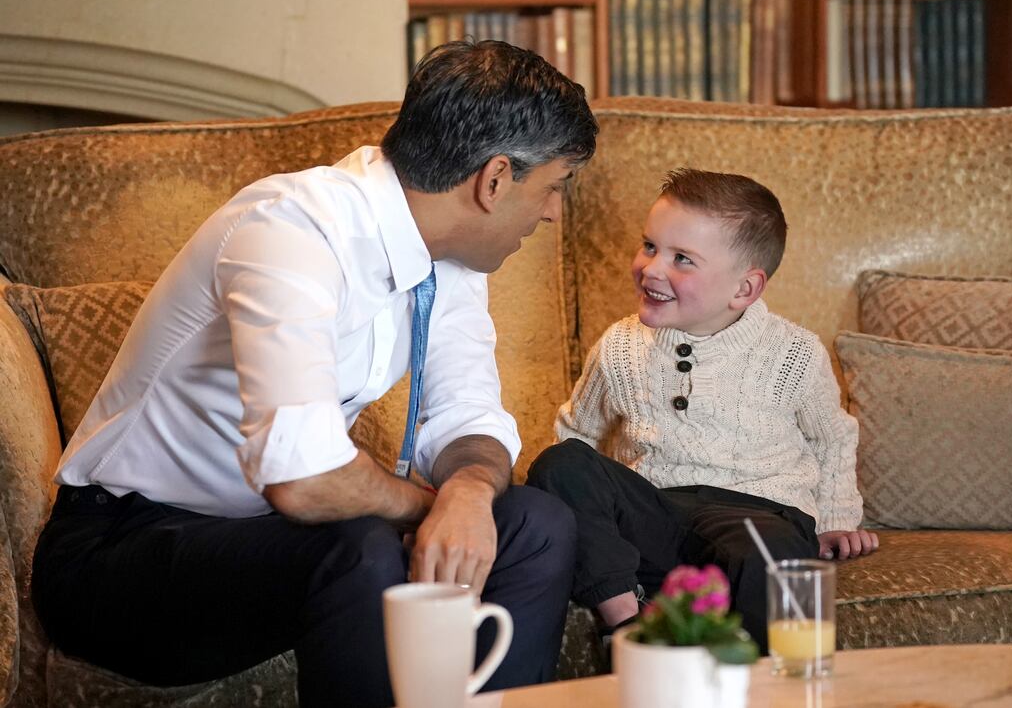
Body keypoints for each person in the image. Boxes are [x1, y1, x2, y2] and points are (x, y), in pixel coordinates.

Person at [32, 40, 598, 707]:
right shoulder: (289, 228)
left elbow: (466, 416)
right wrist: (434, 507)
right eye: (555, 186)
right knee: (359, 547)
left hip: (270, 543)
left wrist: (471, 492)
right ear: (495, 179)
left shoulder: (449, 256)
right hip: (122, 552)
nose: (555, 212)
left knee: (536, 521)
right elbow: (304, 478)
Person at [527, 168, 878, 653]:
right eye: (649, 246)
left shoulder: (793, 353)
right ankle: (627, 626)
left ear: (744, 289)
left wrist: (837, 517)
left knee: (764, 556)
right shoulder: (621, 346)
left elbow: (831, 436)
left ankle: (766, 688)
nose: (651, 269)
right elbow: (578, 433)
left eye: (682, 260)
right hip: (655, 517)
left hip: (756, 514)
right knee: (559, 463)